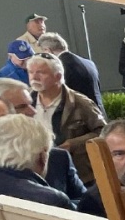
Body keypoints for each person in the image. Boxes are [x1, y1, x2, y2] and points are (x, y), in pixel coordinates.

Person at [28, 53, 106, 186]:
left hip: (78, 174)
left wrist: (73, 144)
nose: (34, 77)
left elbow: (104, 132)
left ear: (57, 76)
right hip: (38, 174)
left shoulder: (80, 103)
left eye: (41, 73)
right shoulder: (27, 103)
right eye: (31, 72)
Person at [34, 32, 103, 111]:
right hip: (99, 113)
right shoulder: (89, 63)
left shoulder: (60, 68)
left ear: (47, 51)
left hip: (80, 117)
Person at [0, 14, 48, 82]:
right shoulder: (21, 42)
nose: (41, 25)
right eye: (37, 22)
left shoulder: (48, 40)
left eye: (42, 22)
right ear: (28, 26)